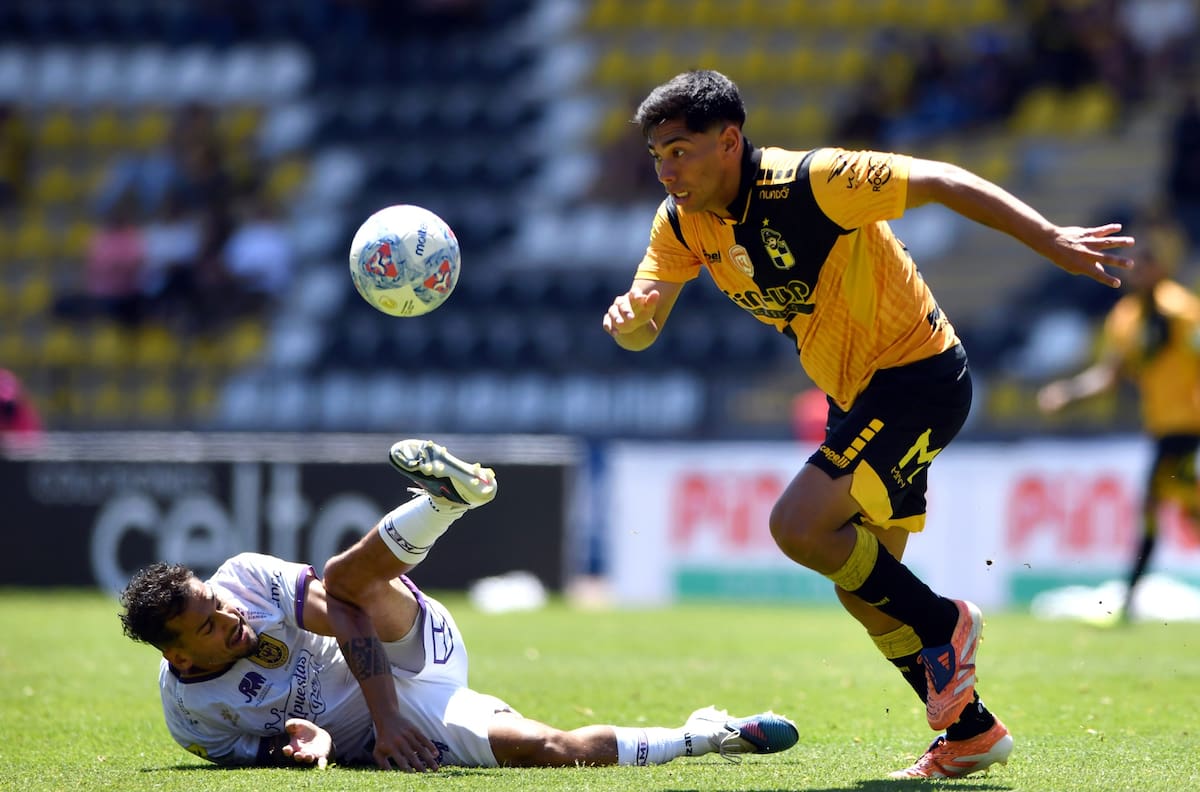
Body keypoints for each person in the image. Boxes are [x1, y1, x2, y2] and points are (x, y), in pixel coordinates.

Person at [602, 70, 1134, 779]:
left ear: (729, 142)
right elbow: (647, 320)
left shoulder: (818, 181)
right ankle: (970, 731)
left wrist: (1050, 239)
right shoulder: (679, 222)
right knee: (862, 586)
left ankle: (949, 624)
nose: (668, 169)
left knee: (798, 525)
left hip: (920, 375)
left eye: (680, 150)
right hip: (858, 398)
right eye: (658, 155)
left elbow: (942, 179)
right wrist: (631, 323)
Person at [119, 438, 799, 771]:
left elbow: (348, 614)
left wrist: (382, 721)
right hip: (422, 717)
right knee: (548, 749)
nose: (231, 616)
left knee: (341, 580)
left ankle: (443, 503)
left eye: (217, 603)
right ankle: (709, 733)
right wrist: (307, 745)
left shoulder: (244, 578)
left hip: (405, 646)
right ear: (179, 653)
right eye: (210, 624)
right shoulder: (193, 721)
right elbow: (269, 752)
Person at [1037, 230, 1200, 621]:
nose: (1137, 273)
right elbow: (1109, 377)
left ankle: (1128, 598)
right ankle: (1129, 598)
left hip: (1188, 426)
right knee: (1187, 506)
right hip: (1162, 427)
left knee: (1151, 503)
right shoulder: (1125, 318)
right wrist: (1070, 395)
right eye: (1132, 267)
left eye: (1143, 265)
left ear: (1160, 268)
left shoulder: (1182, 311)